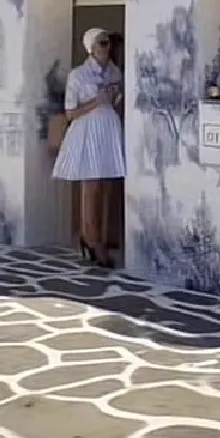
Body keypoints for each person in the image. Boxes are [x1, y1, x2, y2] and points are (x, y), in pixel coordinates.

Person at [53, 28, 126, 267]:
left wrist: (115, 98)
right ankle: (92, 239)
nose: (107, 48)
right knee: (91, 186)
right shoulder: (78, 75)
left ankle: (101, 237)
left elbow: (116, 103)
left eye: (108, 44)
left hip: (108, 130)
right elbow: (70, 112)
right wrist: (97, 101)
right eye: (102, 44)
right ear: (91, 48)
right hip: (88, 131)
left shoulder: (115, 71)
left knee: (107, 185)